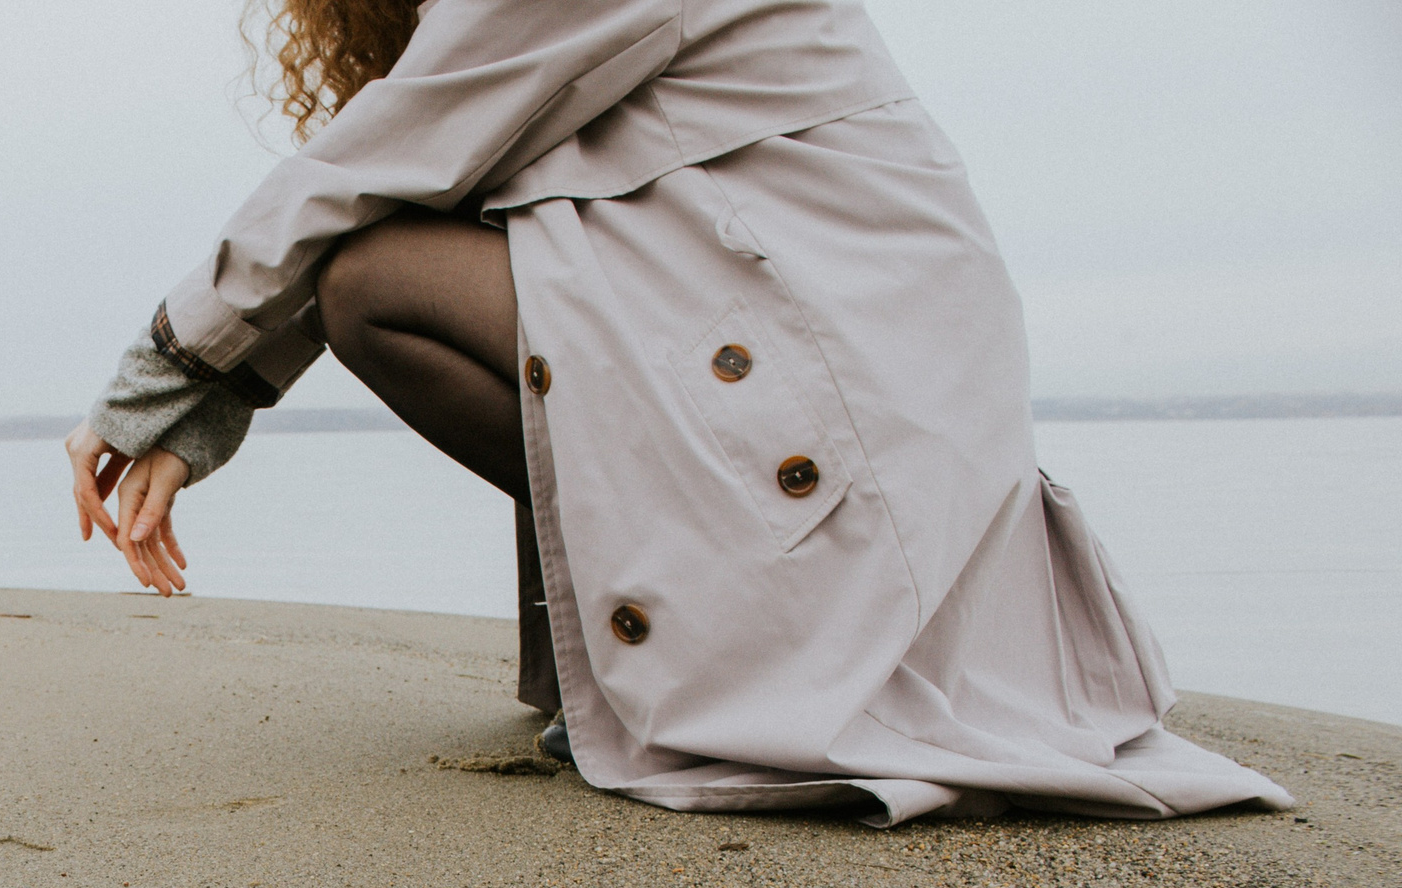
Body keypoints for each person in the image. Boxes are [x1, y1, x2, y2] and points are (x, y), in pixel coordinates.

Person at [64, 0, 1291, 827]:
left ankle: (741, 640)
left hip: (851, 395)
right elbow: (404, 171)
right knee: (441, 265)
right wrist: (202, 399)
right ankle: (710, 642)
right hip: (874, 382)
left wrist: (166, 379)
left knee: (378, 283)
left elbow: (369, 167)